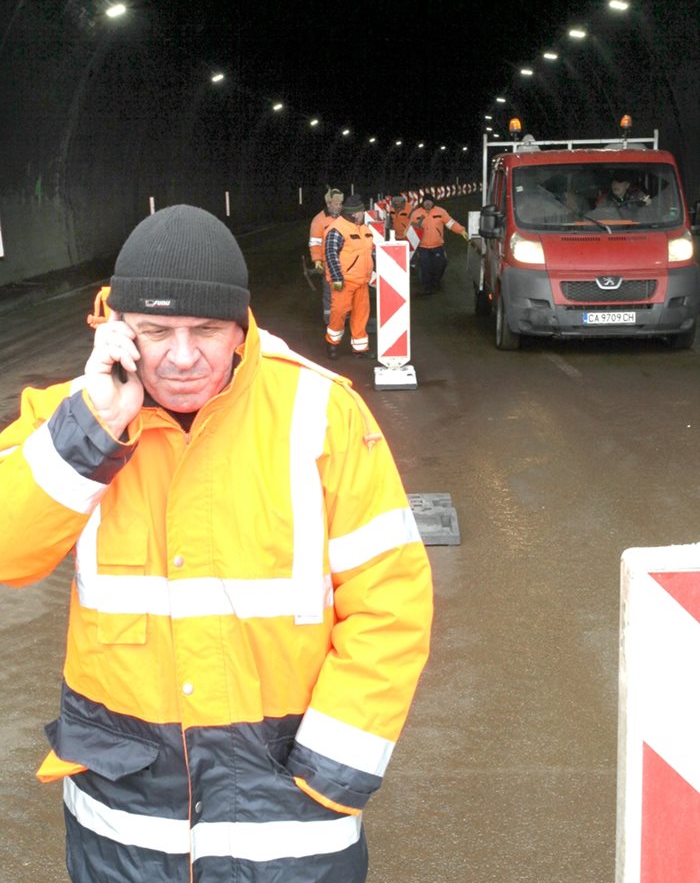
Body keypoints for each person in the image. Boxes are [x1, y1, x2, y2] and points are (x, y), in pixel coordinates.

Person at [0, 205, 433, 883]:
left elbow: (391, 606)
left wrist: (328, 773)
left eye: (205, 329)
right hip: (124, 818)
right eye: (155, 331)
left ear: (241, 328)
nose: (179, 354)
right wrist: (93, 428)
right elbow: (8, 550)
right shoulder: (70, 416)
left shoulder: (323, 416)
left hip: (287, 814)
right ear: (117, 330)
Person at [324, 194, 375, 359]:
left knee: (361, 315)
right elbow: (331, 254)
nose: (364, 213)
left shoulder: (364, 229)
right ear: (354, 213)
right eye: (362, 211)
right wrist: (337, 278)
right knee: (338, 313)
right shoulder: (337, 229)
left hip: (362, 282)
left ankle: (360, 349)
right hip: (344, 282)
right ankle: (332, 343)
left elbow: (370, 253)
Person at [408, 193, 468, 295]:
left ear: (433, 202)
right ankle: (427, 287)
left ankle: (436, 282)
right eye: (426, 201)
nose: (427, 203)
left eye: (430, 201)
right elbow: (410, 229)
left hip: (437, 246)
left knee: (440, 265)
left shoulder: (441, 212)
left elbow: (451, 223)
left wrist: (461, 231)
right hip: (423, 247)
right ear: (422, 202)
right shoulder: (416, 213)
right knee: (425, 267)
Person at [309, 186, 344, 324]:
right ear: (328, 204)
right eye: (336, 204)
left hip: (344, 262)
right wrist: (317, 261)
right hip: (328, 264)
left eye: (340, 204)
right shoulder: (319, 220)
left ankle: (343, 315)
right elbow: (315, 243)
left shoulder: (344, 218)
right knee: (330, 292)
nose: (339, 207)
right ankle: (329, 319)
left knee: (342, 291)